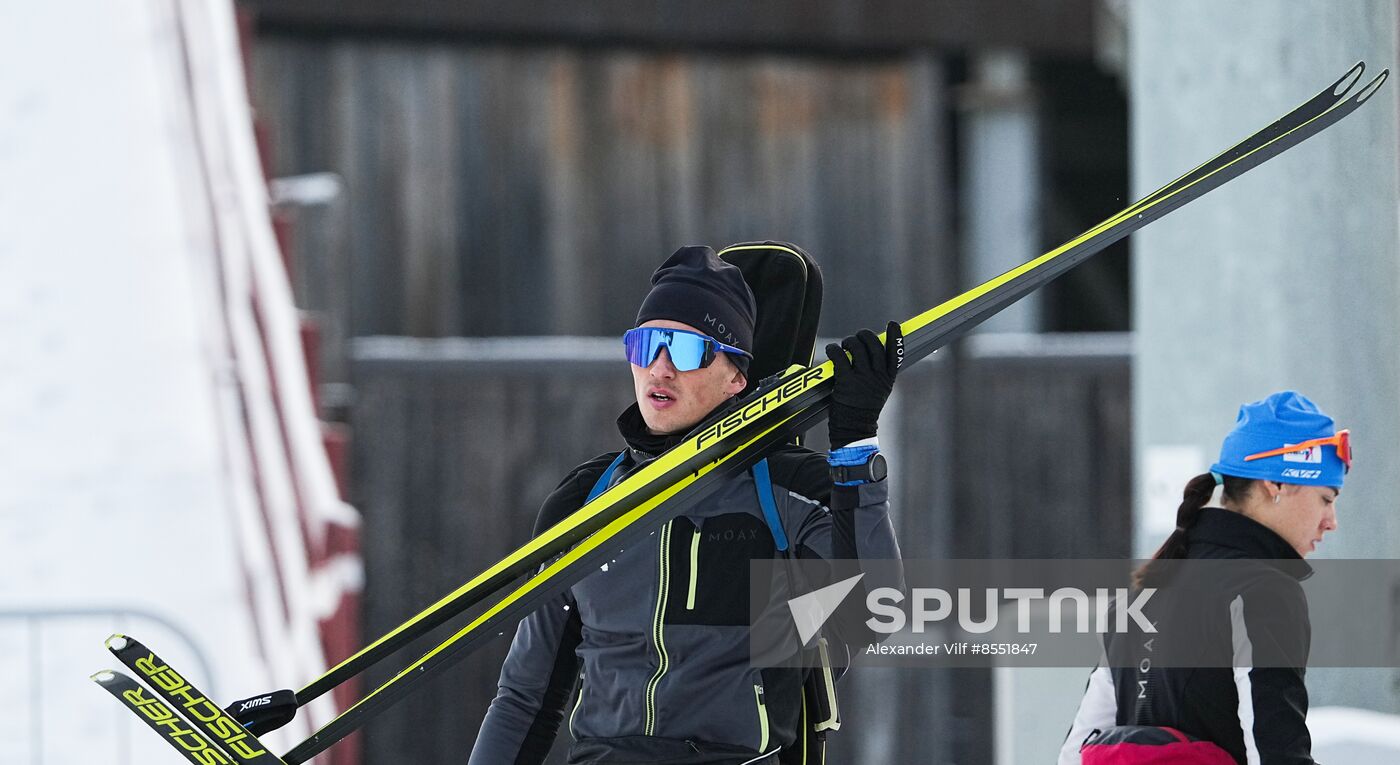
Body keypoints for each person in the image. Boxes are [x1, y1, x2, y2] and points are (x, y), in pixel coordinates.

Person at [470, 245, 905, 765]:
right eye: (647, 344)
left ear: (737, 377)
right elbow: (526, 696)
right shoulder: (583, 503)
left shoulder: (788, 489)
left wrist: (855, 440)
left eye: (686, 349)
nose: (660, 368)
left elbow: (875, 608)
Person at [1059, 390, 1350, 765]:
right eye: (1326, 498)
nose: (1331, 522)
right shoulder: (1264, 591)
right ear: (1275, 485)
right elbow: (1277, 750)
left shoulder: (1140, 595)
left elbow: (1075, 752)